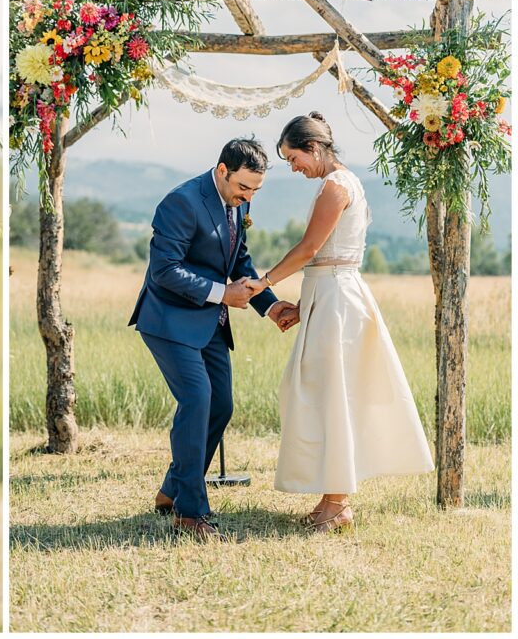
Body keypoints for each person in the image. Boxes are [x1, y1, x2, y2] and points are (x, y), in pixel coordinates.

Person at [244, 111, 434, 533]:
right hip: (327, 297)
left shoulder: (335, 185)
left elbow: (311, 248)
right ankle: (332, 496)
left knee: (332, 394)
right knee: (317, 391)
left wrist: (263, 283)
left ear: (314, 148)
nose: (293, 168)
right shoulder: (340, 182)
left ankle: (338, 503)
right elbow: (324, 258)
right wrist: (303, 303)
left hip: (337, 301)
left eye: (294, 158)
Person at [129, 137, 298, 540]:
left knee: (221, 405)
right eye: (243, 187)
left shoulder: (239, 201)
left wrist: (270, 306)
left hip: (209, 322)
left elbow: (239, 260)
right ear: (222, 170)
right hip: (168, 321)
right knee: (197, 400)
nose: (248, 196)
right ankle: (191, 513)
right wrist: (224, 294)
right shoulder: (181, 202)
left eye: (256, 190)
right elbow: (164, 271)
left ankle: (172, 491)